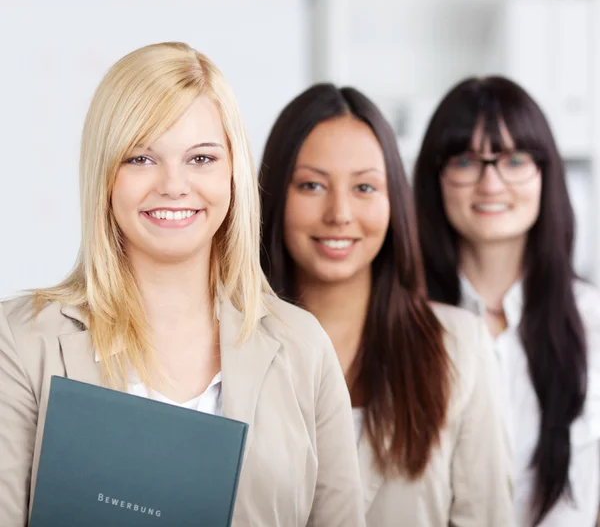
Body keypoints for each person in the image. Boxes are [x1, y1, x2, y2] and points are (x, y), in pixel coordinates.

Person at [0, 43, 365, 527]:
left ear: (232, 173)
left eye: (201, 159)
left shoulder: (302, 347)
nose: (174, 185)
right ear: (104, 175)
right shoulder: (21, 341)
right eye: (141, 158)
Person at [258, 83, 514, 527]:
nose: (339, 213)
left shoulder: (459, 346)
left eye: (364, 187)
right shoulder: (226, 347)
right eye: (312, 185)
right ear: (276, 196)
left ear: (394, 199)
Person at [413, 75, 600, 526]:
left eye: (514, 159)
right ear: (435, 178)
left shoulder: (592, 319)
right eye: (465, 161)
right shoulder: (404, 320)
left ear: (545, 174)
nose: (491, 184)